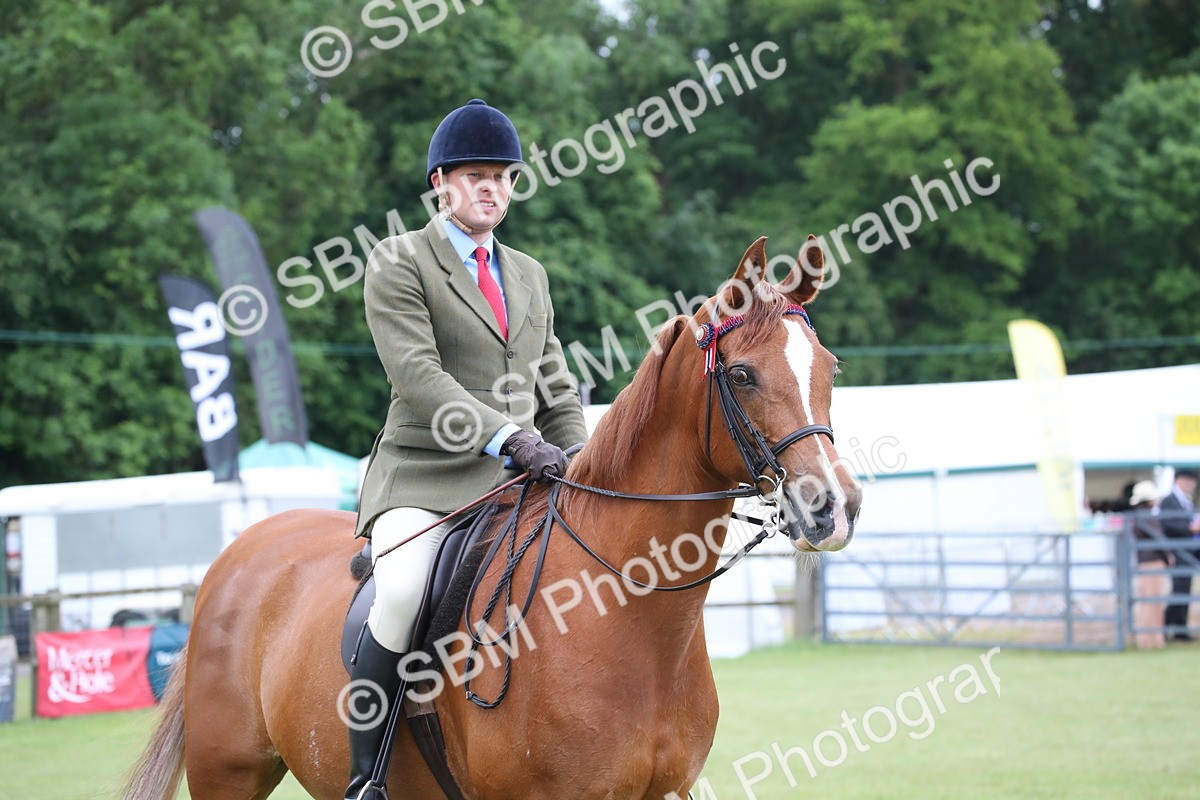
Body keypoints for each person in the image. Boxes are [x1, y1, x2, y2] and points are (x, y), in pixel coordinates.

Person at [347, 99, 589, 799]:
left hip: (521, 479)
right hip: (425, 476)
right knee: (400, 592)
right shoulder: (399, 261)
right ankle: (366, 777)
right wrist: (511, 437)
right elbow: (419, 377)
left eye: (504, 177)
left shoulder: (529, 274)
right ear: (441, 183)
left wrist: (582, 457)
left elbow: (555, 383)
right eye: (477, 175)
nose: (492, 188)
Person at [1126, 480, 1168, 649]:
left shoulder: (1138, 515)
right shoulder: (1148, 516)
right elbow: (1158, 539)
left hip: (1143, 562)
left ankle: (1146, 639)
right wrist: (1168, 555)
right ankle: (1153, 640)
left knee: (1146, 602)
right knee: (1153, 602)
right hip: (1153, 562)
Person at [1160, 468, 1199, 642]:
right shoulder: (1169, 500)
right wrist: (1190, 527)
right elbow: (1168, 524)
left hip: (1189, 551)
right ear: (1181, 480)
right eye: (1190, 481)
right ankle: (1166, 627)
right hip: (1177, 551)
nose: (1192, 485)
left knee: (1184, 591)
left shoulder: (1186, 501)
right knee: (1179, 591)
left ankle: (1180, 630)